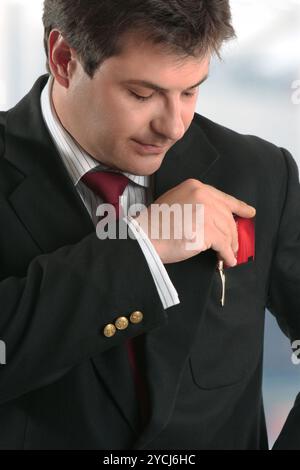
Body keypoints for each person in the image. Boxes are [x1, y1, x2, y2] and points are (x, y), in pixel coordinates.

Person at [0, 0, 299, 450]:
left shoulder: (260, 171)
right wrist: (142, 248)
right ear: (64, 59)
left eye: (191, 91)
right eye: (142, 95)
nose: (174, 126)